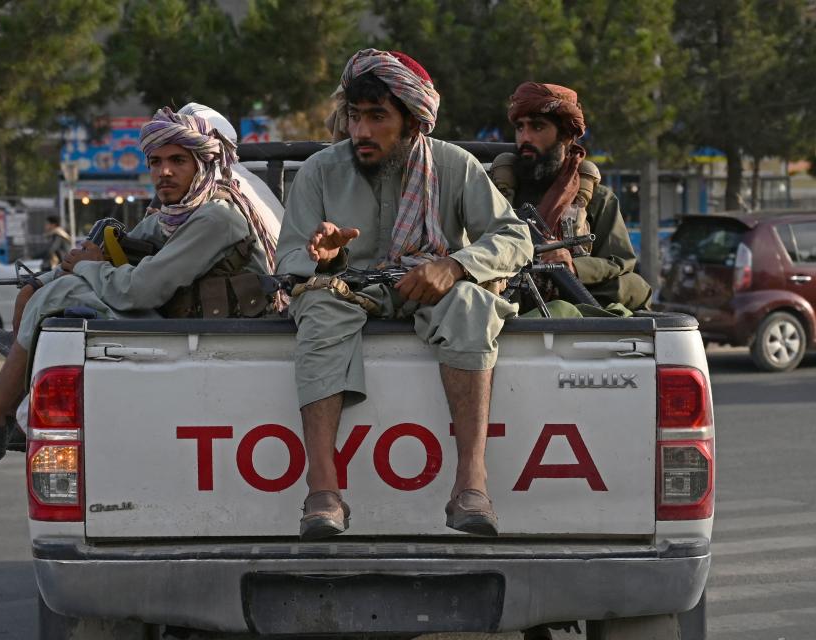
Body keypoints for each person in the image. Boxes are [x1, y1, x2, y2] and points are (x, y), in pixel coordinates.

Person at [0, 107, 277, 463]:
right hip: (183, 329)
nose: (164, 172)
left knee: (61, 294)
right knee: (46, 290)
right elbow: (124, 247)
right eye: (155, 162)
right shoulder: (176, 213)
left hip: (214, 338)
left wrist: (86, 269)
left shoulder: (217, 216)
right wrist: (43, 280)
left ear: (204, 163)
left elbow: (141, 291)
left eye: (178, 161)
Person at [278, 49, 533, 540]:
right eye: (355, 117)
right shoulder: (319, 172)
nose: (361, 132)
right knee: (319, 305)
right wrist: (327, 259)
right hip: (348, 290)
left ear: (414, 122)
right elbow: (290, 259)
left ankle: (470, 484)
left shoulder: (453, 166)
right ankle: (323, 491)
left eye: (378, 117)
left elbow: (515, 237)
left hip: (425, 285)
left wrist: (456, 264)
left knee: (471, 303)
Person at [489, 82, 652, 310]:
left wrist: (574, 266)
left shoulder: (597, 198)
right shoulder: (496, 193)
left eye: (537, 128)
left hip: (576, 301)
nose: (525, 138)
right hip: (511, 298)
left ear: (566, 137)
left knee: (633, 286)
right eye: (520, 128)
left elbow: (620, 261)